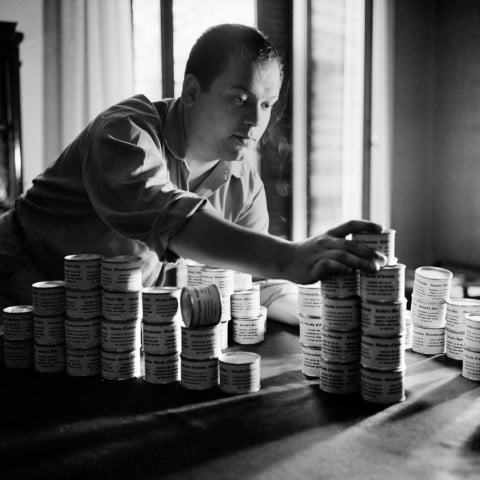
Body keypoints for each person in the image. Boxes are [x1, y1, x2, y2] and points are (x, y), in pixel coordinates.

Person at [0, 23, 385, 324]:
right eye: (239, 99)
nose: (255, 121)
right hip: (15, 279)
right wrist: (291, 256)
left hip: (106, 324)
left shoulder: (244, 183)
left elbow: (257, 282)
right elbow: (171, 218)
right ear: (191, 91)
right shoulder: (123, 135)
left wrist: (330, 318)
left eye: (267, 104)